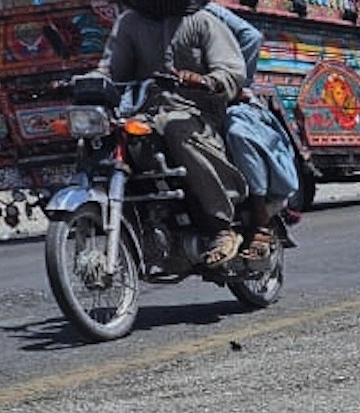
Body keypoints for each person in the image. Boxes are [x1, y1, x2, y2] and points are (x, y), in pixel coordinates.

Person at [90, 0, 248, 267]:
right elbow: (111, 69)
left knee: (177, 129)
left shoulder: (203, 21)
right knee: (108, 135)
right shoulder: (130, 23)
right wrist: (89, 81)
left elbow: (232, 71)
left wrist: (206, 81)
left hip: (196, 113)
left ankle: (221, 226)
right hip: (147, 112)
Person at [202, 3, 299, 262]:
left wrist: (232, 84)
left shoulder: (204, 10)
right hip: (176, 102)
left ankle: (261, 219)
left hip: (224, 98)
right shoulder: (136, 19)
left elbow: (251, 37)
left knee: (238, 132)